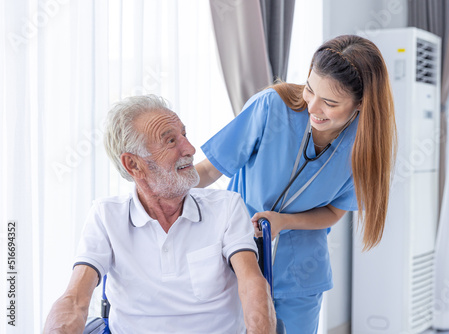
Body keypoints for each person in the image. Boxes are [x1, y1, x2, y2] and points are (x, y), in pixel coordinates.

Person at [195, 35, 397, 333]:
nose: (313, 107)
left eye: (330, 102)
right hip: (239, 259)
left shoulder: (363, 149)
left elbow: (333, 212)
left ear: (361, 104)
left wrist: (283, 221)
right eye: (310, 89)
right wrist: (161, 183)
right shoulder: (272, 108)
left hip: (302, 275)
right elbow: (210, 170)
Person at [43, 95, 276, 334]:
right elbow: (75, 300)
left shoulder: (226, 206)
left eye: (184, 135)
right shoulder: (106, 216)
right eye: (171, 141)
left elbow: (252, 287)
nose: (190, 149)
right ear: (133, 164)